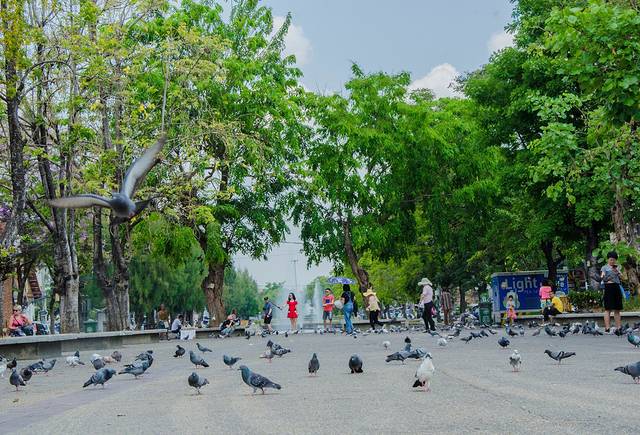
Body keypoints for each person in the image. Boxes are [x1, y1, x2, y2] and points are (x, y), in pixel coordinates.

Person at [601, 251, 623, 333]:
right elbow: (602, 276)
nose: (612, 261)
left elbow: (622, 277)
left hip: (616, 287)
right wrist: (604, 276)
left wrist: (617, 272)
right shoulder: (604, 267)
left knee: (617, 309)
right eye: (610, 260)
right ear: (608, 259)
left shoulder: (618, 267)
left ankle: (619, 327)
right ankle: (607, 328)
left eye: (614, 260)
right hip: (608, 287)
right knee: (608, 309)